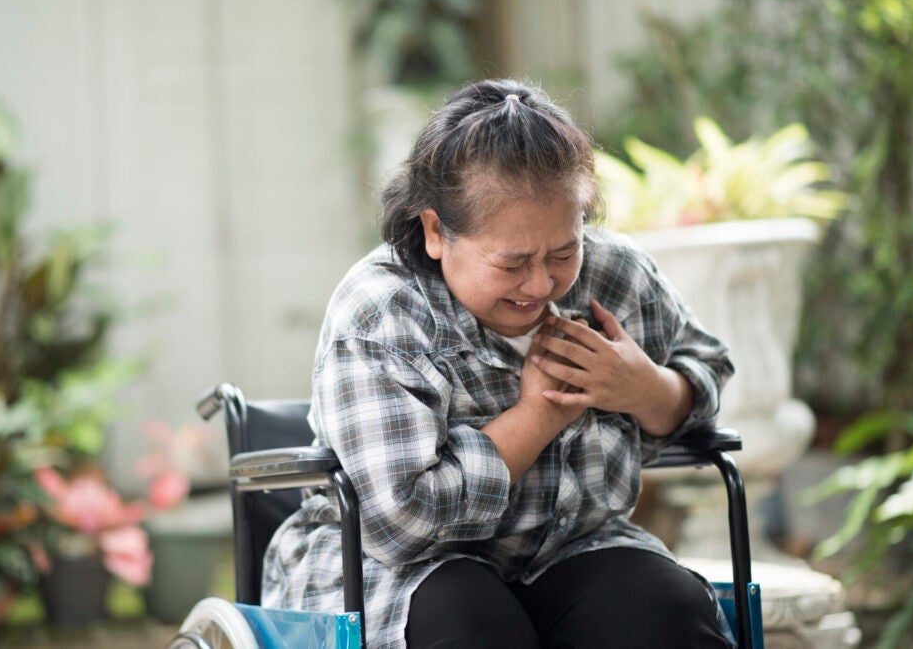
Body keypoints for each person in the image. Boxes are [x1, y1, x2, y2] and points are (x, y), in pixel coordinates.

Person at [261, 79, 736, 649]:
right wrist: (538, 416)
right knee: (473, 623)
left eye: (563, 252)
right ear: (436, 231)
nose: (540, 284)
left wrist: (643, 389)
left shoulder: (615, 274)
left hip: (573, 544)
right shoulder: (383, 311)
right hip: (398, 568)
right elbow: (400, 525)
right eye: (512, 264)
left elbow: (707, 366)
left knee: (665, 611)